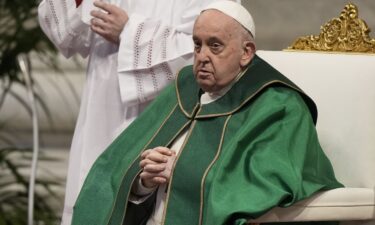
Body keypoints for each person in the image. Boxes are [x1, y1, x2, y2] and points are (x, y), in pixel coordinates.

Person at [70, 1, 343, 225]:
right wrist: (143, 182)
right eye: (197, 45)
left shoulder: (279, 106)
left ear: (246, 52)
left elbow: (268, 186)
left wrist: (183, 170)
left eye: (215, 46)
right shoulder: (183, 88)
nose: (202, 56)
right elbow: (114, 171)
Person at [38, 0, 235, 224]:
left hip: (163, 119)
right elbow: (65, 33)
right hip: (100, 114)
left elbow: (212, 54)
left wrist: (130, 33)